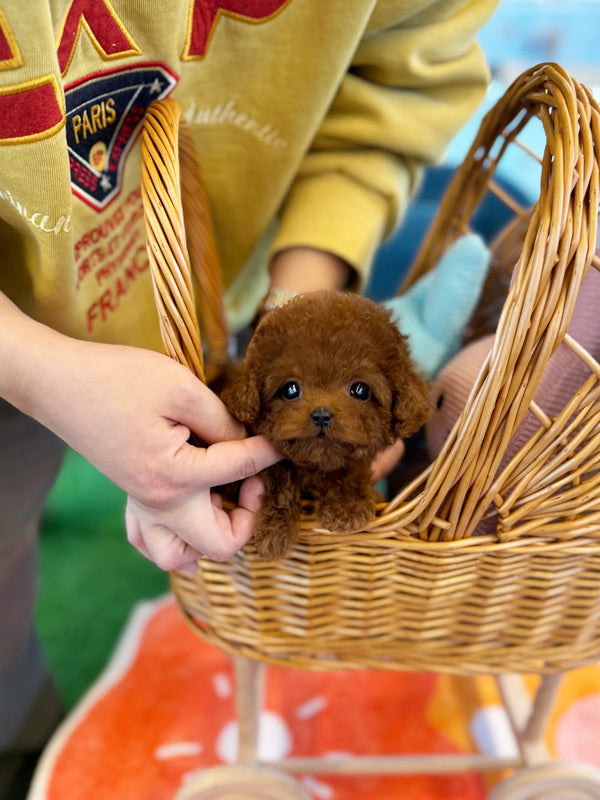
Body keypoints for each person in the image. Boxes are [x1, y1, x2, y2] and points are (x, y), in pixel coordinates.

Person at [0, 0, 499, 793]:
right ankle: (19, 746)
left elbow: (400, 78)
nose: (329, 409)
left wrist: (292, 301)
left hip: (225, 272)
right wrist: (31, 366)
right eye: (298, 392)